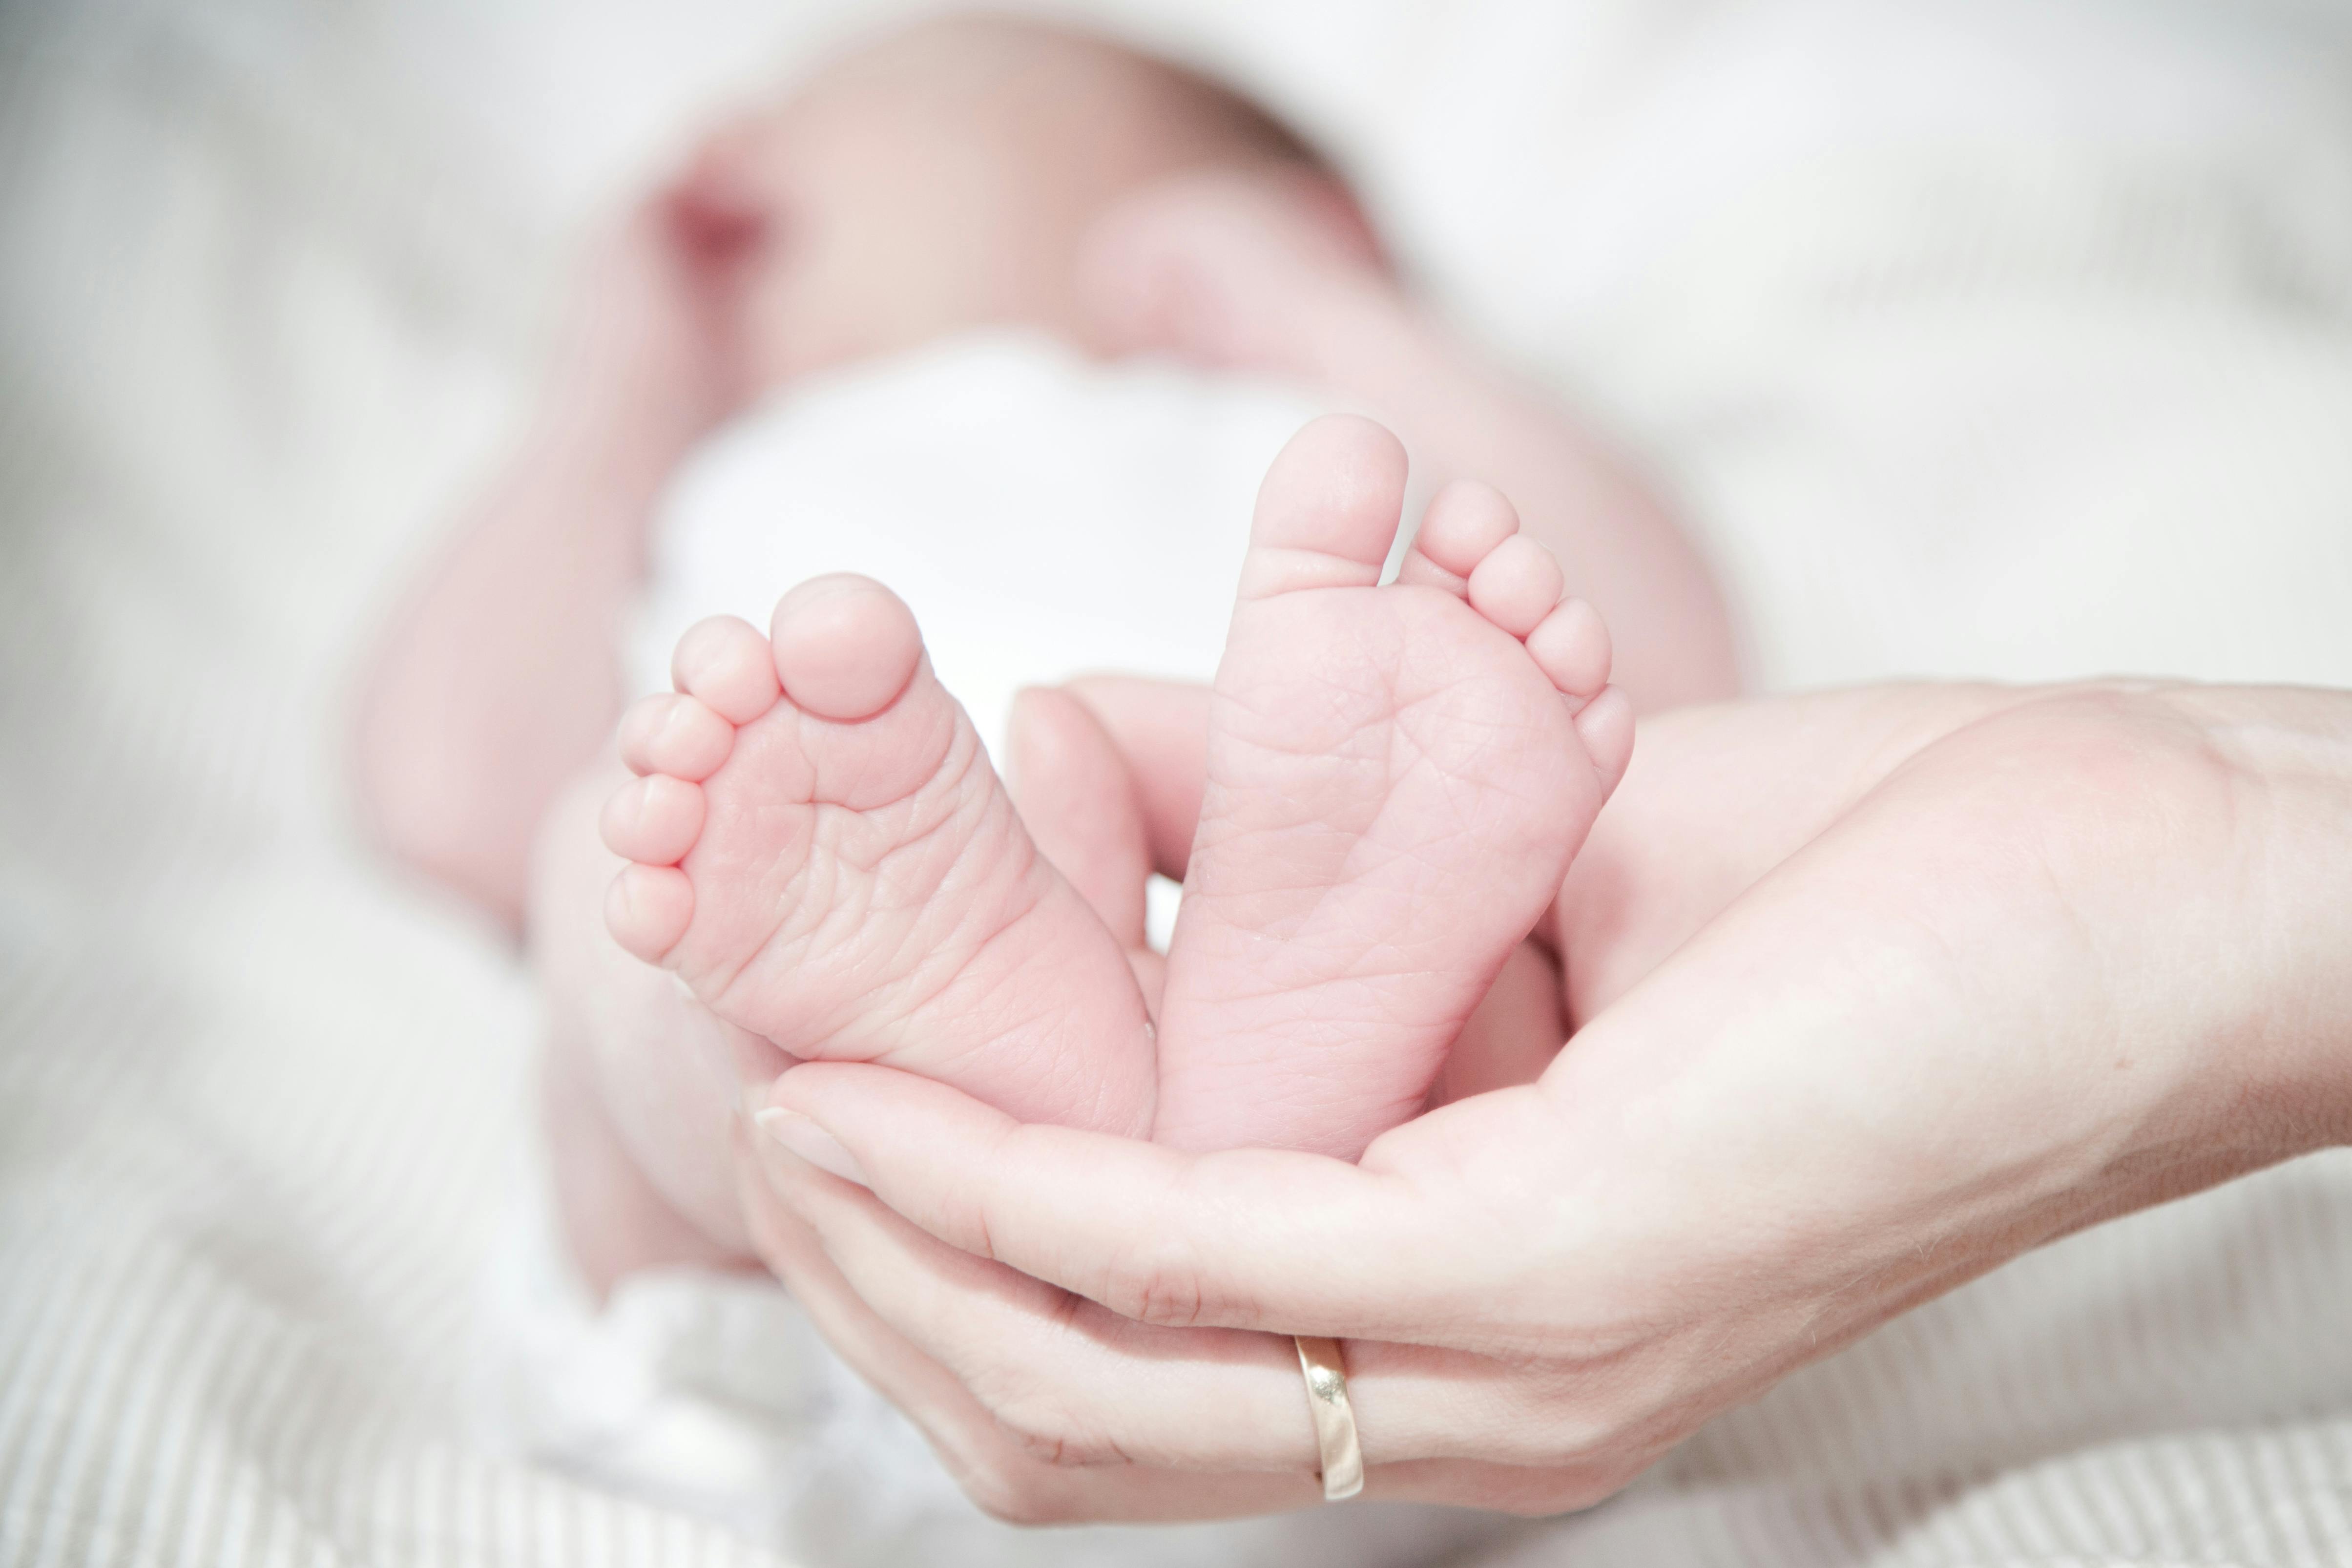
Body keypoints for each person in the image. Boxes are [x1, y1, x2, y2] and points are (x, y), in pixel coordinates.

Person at [354, 14, 1734, 1295]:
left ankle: (1202, 1068)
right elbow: (451, 796)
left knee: (1527, 886)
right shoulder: (712, 468)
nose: (730, 170)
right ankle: (1078, 1069)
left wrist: (1332, 315)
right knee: (630, 878)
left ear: (1292, 218)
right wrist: (621, 380)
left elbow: (1663, 688)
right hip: (826, 1294)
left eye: (830, 120)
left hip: (1420, 1293)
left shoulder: (1309, 423)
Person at [728, 672, 2352, 1520]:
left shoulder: (1325, 351)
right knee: (686, 952)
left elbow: (1633, 641)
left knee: (684, 980)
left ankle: (1086, 1082)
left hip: (967, 869)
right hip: (977, 854)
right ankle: (1178, 1074)